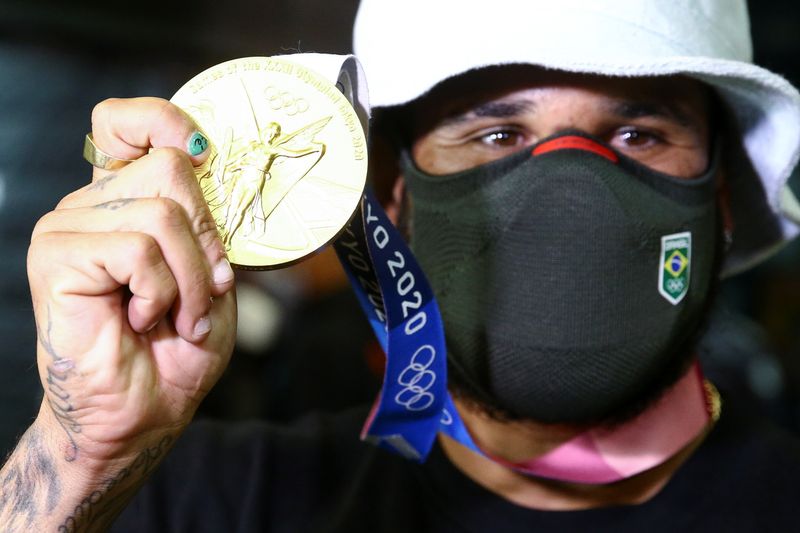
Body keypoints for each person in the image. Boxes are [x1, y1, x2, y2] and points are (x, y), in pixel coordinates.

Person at [2, 0, 800, 531]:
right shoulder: (221, 498)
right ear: (393, 197)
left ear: (723, 198)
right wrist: (83, 451)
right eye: (496, 136)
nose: (569, 197)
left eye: (637, 135)